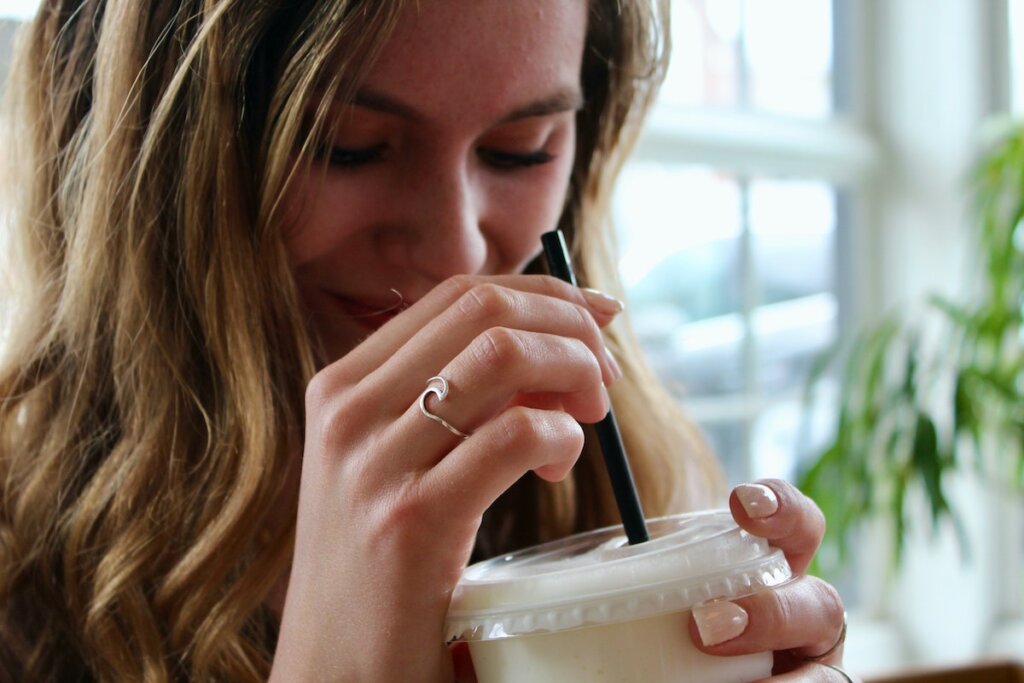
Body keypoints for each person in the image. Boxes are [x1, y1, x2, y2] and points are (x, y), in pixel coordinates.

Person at [0, 0, 852, 681]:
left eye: (523, 150)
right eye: (350, 147)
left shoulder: (605, 484)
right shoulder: (20, 591)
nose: (457, 254)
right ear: (159, 158)